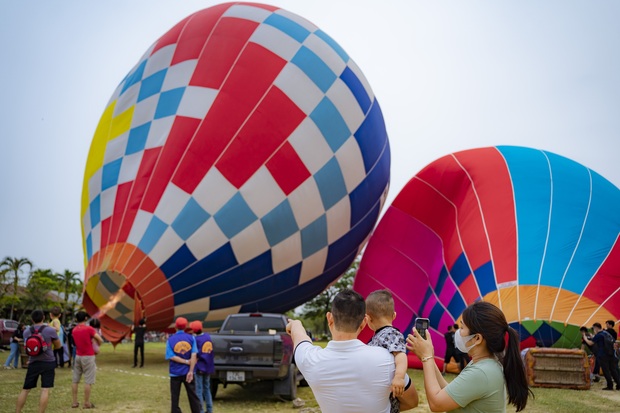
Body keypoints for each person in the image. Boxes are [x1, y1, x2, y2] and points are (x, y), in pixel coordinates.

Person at [287, 288, 418, 413]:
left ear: (329, 318)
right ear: (364, 322)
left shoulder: (310, 360)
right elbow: (412, 401)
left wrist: (295, 324)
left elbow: (300, 337)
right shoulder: (388, 360)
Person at [406, 301, 532, 412]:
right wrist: (429, 358)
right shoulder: (485, 363)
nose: (458, 333)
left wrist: (426, 358)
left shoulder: (482, 373)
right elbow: (449, 391)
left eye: (462, 327)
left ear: (477, 338)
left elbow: (436, 404)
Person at [365, 289, 416, 413]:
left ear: (368, 319)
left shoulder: (392, 333)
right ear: (394, 315)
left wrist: (399, 377)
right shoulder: (377, 337)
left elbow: (400, 355)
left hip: (390, 396)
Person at [16, 309, 61, 413]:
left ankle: (17, 411)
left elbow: (28, 347)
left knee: (26, 389)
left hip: (33, 362)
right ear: (43, 318)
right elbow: (58, 345)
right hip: (48, 362)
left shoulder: (27, 331)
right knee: (45, 389)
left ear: (32, 319)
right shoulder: (50, 330)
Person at [166, 317, 201, 413]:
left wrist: (185, 361)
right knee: (193, 396)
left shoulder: (170, 339)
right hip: (188, 373)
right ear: (185, 327)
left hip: (175, 372)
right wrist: (190, 370)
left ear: (176, 326)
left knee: (175, 397)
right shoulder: (191, 338)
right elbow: (194, 355)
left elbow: (171, 356)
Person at [71, 311, 103, 409]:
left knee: (75, 380)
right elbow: (100, 339)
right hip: (88, 356)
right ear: (85, 318)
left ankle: (74, 402)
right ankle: (86, 403)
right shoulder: (89, 329)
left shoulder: (74, 330)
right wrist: (96, 343)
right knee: (88, 380)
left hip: (78, 356)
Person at [583, 322, 620, 391]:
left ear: (596, 328)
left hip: (603, 355)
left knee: (606, 371)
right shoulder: (606, 333)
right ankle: (619, 385)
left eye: (593, 329)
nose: (593, 330)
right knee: (613, 370)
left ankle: (610, 386)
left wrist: (585, 338)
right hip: (611, 354)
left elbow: (590, 343)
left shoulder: (599, 335)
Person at [191, 320, 215, 413]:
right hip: (208, 366)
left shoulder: (196, 340)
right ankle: (209, 409)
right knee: (207, 389)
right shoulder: (208, 337)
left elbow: (195, 354)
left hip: (200, 367)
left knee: (199, 390)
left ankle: (200, 410)